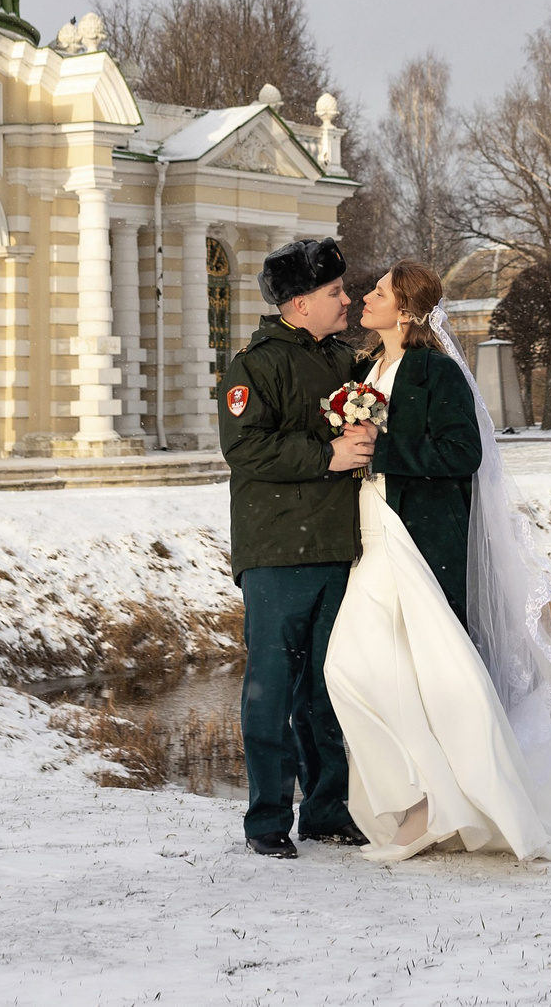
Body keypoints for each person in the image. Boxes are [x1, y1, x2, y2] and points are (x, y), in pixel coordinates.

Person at [323, 260, 551, 862]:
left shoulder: (435, 371)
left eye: (377, 292)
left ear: (404, 309)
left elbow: (463, 452)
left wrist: (381, 448)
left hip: (419, 540)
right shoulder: (367, 368)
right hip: (372, 534)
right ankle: (425, 797)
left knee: (434, 676)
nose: (365, 297)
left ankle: (438, 806)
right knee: (352, 669)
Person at [217, 236, 374, 860]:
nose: (348, 300)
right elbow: (245, 450)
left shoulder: (343, 361)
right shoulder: (253, 368)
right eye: (335, 293)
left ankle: (328, 811)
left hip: (337, 548)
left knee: (328, 691)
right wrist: (329, 455)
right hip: (278, 552)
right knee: (272, 690)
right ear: (300, 304)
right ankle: (267, 821)